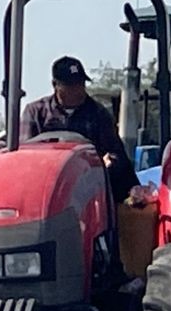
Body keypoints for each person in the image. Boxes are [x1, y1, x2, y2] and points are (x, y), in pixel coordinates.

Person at [21, 55, 138, 201]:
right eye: (71, 86)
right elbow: (25, 157)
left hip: (89, 190)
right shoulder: (36, 113)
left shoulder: (98, 113)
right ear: (55, 85)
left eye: (81, 84)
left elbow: (116, 153)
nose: (78, 91)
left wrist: (107, 162)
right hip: (46, 188)